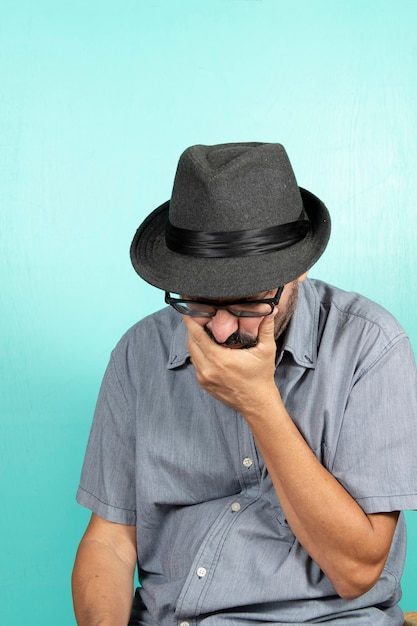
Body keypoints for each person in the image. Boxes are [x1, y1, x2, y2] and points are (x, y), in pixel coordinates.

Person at [72, 142, 417, 626]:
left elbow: (357, 571)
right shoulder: (139, 353)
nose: (220, 330)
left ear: (298, 270)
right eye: (200, 304)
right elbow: (108, 541)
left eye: (247, 305)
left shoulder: (370, 347)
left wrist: (260, 404)